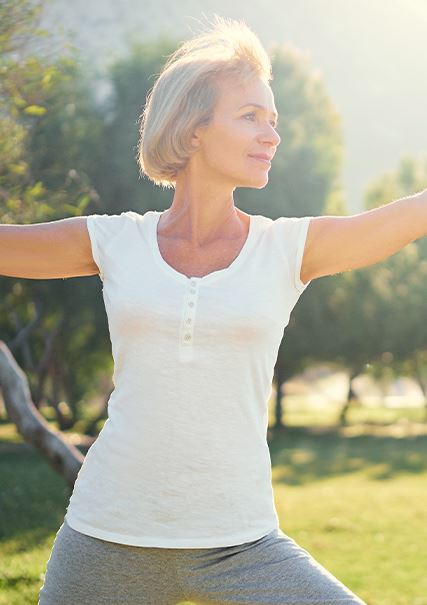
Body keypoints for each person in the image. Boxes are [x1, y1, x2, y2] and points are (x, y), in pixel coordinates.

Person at [1, 13, 424, 605]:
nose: (272, 135)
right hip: (106, 537)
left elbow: (397, 220)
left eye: (274, 121)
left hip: (242, 545)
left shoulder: (286, 249)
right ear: (193, 129)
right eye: (250, 116)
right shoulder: (115, 241)